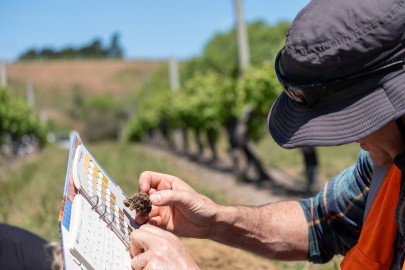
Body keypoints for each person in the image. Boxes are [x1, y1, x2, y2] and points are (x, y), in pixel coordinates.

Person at [129, 0, 405, 269]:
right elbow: (320, 221)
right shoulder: (384, 166)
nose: (352, 137)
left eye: (352, 116)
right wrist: (214, 220)